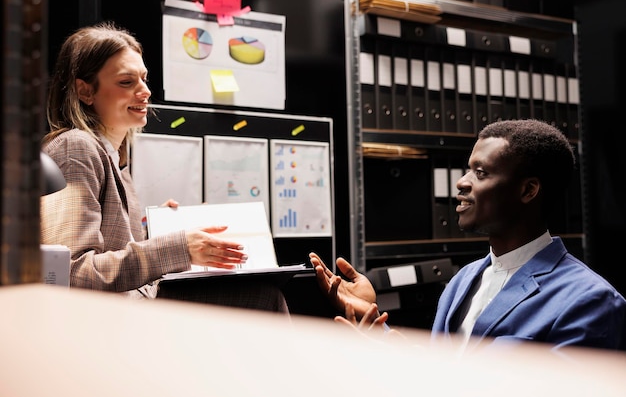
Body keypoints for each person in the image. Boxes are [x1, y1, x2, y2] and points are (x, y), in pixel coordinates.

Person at [310, 119, 626, 351]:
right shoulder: (464, 280)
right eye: (467, 169)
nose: (462, 182)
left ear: (528, 190)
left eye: (481, 172)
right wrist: (375, 321)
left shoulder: (590, 301)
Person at [41, 21, 288, 312]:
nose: (145, 91)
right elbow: (73, 273)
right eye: (126, 82)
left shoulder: (115, 158)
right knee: (264, 299)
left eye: (144, 79)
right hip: (112, 322)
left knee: (264, 294)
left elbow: (111, 250)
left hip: (133, 309)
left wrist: (157, 231)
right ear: (85, 92)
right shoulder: (75, 147)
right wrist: (178, 248)